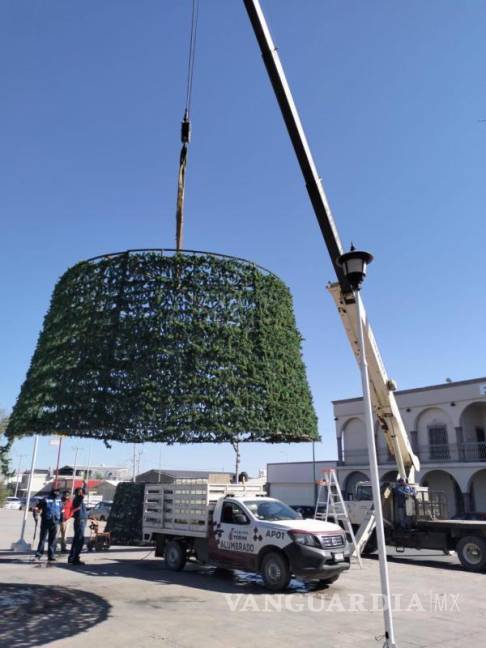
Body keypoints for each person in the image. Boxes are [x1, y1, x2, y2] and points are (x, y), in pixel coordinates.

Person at [34, 488, 63, 562]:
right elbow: (38, 507)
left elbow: (61, 510)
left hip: (55, 521)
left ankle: (51, 555)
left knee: (52, 540)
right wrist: (36, 512)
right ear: (52, 492)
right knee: (43, 539)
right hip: (46, 521)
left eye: (58, 492)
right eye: (56, 491)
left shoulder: (59, 500)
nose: (57, 493)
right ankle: (38, 555)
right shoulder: (46, 499)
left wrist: (62, 519)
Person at [68, 487, 88, 565]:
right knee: (80, 540)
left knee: (76, 540)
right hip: (80, 521)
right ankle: (75, 558)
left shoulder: (78, 500)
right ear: (77, 493)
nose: (81, 493)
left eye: (81, 491)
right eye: (80, 491)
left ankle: (72, 557)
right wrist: (85, 485)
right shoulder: (78, 499)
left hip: (81, 520)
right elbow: (84, 493)